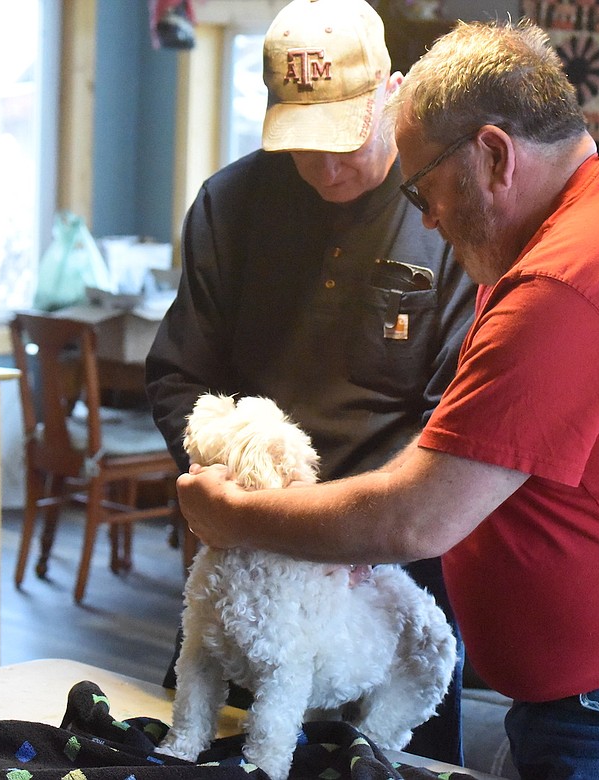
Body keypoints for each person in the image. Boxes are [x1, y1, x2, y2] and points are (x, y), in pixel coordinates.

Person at [174, 18, 599, 779]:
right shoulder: (576, 233)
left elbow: (421, 513)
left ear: (492, 155)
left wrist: (234, 516)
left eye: (424, 187)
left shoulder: (569, 281)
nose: (424, 216)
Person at [143, 0, 477, 766]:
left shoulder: (448, 214)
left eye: (344, 141)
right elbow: (178, 373)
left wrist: (368, 525)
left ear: (393, 91)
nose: (326, 168)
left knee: (394, 761)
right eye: (302, 144)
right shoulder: (231, 205)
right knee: (215, 751)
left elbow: (457, 411)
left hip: (391, 564)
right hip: (247, 548)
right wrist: (219, 477)